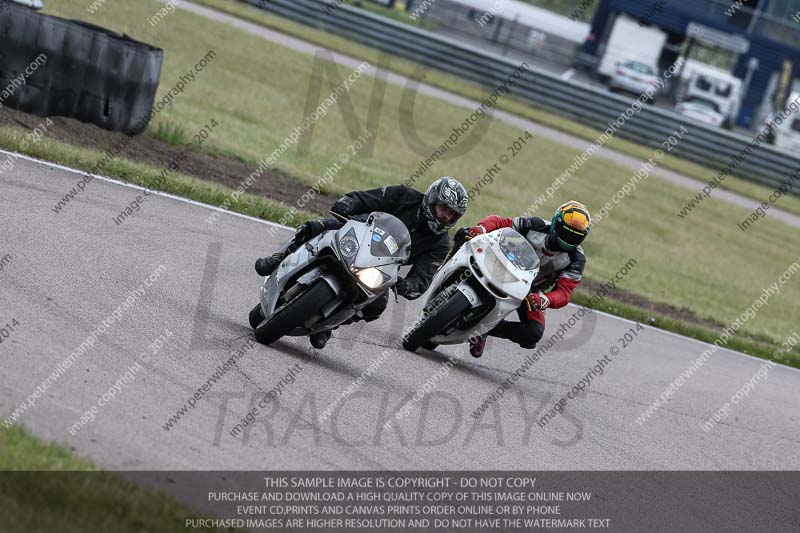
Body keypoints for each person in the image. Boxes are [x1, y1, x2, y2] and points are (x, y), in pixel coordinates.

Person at [254, 177, 469, 348]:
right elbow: (367, 198)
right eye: (443, 209)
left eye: (451, 215)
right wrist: (348, 204)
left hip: (382, 266)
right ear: (432, 199)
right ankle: (278, 258)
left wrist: (408, 285)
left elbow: (422, 277)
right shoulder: (404, 195)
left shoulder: (441, 243)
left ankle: (330, 325)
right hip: (358, 233)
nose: (445, 217)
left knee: (377, 306)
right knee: (315, 227)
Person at [462, 201, 591, 358]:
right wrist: (481, 229)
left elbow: (565, 292)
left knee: (533, 333)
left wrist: (544, 300)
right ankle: (445, 278)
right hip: (501, 266)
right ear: (555, 222)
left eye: (574, 237)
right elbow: (500, 222)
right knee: (463, 235)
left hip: (530, 289)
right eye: (565, 232)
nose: (567, 238)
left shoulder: (576, 260)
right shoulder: (535, 225)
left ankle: (486, 329)